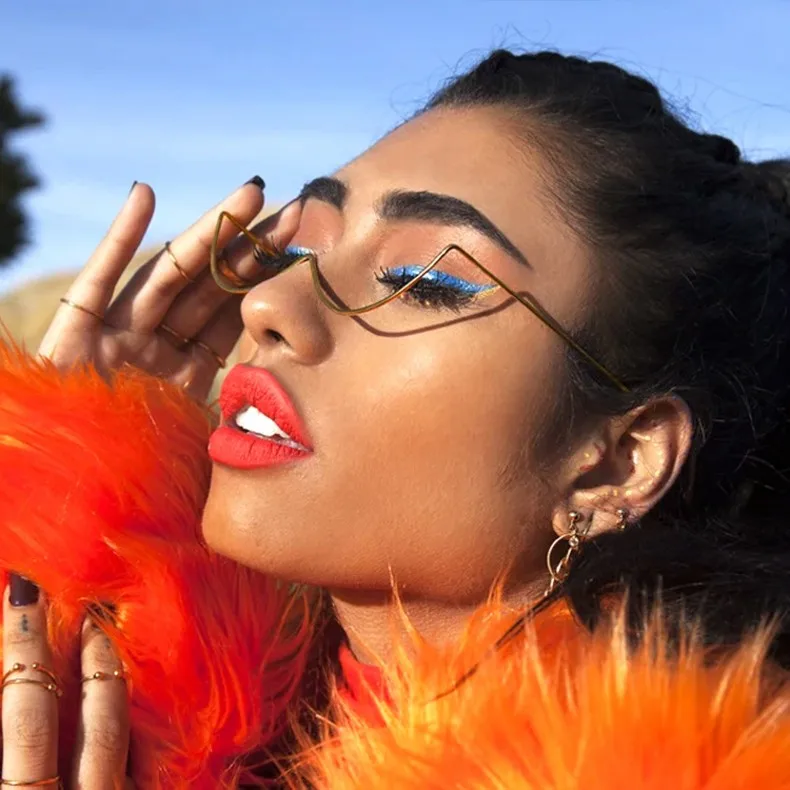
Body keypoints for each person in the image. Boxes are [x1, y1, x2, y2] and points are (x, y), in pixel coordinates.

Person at [0, 48, 789, 788]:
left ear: (620, 459)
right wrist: (79, 498)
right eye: (298, 252)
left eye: (421, 280)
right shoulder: (147, 739)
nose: (268, 302)